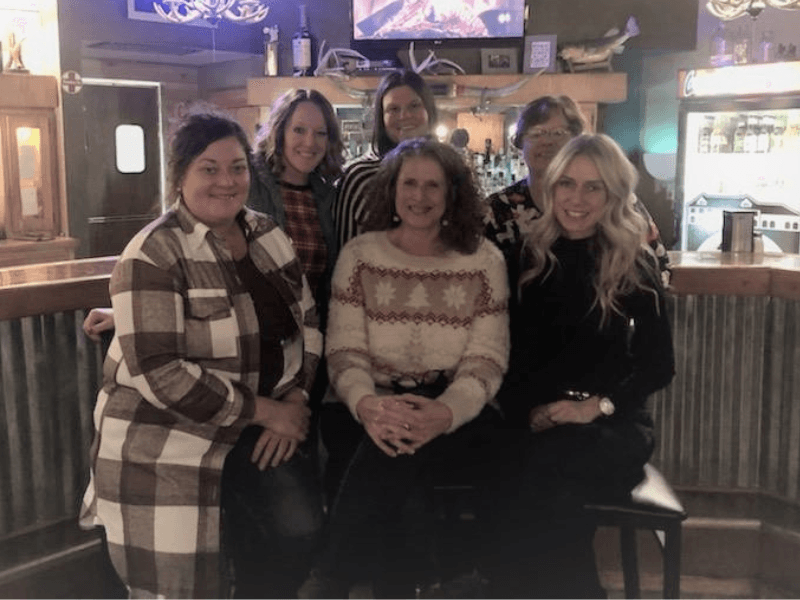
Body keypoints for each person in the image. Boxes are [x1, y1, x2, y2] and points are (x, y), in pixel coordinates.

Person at [79, 109, 324, 598]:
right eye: (209, 169)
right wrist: (267, 411)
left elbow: (308, 324)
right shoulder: (151, 253)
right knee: (179, 582)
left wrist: (295, 399)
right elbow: (161, 373)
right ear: (181, 175)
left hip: (265, 425)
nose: (226, 181)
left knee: (300, 535)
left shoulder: (269, 235)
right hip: (170, 436)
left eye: (236, 167)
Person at [299, 138, 510, 599]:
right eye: (409, 183)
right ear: (390, 191)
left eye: (433, 185)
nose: (420, 196)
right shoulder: (359, 256)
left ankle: (330, 579)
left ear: (453, 193)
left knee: (396, 456)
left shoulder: (484, 261)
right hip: (364, 404)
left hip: (457, 412)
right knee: (396, 457)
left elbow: (487, 359)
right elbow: (344, 352)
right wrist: (370, 406)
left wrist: (445, 412)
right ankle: (425, 584)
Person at [487, 133, 675, 598]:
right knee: (503, 474)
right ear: (551, 188)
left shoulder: (632, 262)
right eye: (567, 183)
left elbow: (658, 365)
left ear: (613, 194)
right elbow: (511, 354)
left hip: (612, 421)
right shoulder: (527, 258)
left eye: (594, 187)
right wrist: (530, 410)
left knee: (548, 484)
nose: (577, 198)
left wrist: (597, 407)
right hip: (539, 415)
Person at [482, 95, 670, 286]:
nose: (547, 141)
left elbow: (659, 268)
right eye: (536, 133)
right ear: (520, 144)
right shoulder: (496, 209)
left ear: (576, 140)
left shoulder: (618, 200)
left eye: (558, 133)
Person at [333, 68, 437, 247]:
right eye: (393, 109)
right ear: (382, 119)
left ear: (429, 111)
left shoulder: (447, 171)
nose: (405, 116)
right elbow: (345, 252)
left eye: (414, 106)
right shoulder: (361, 176)